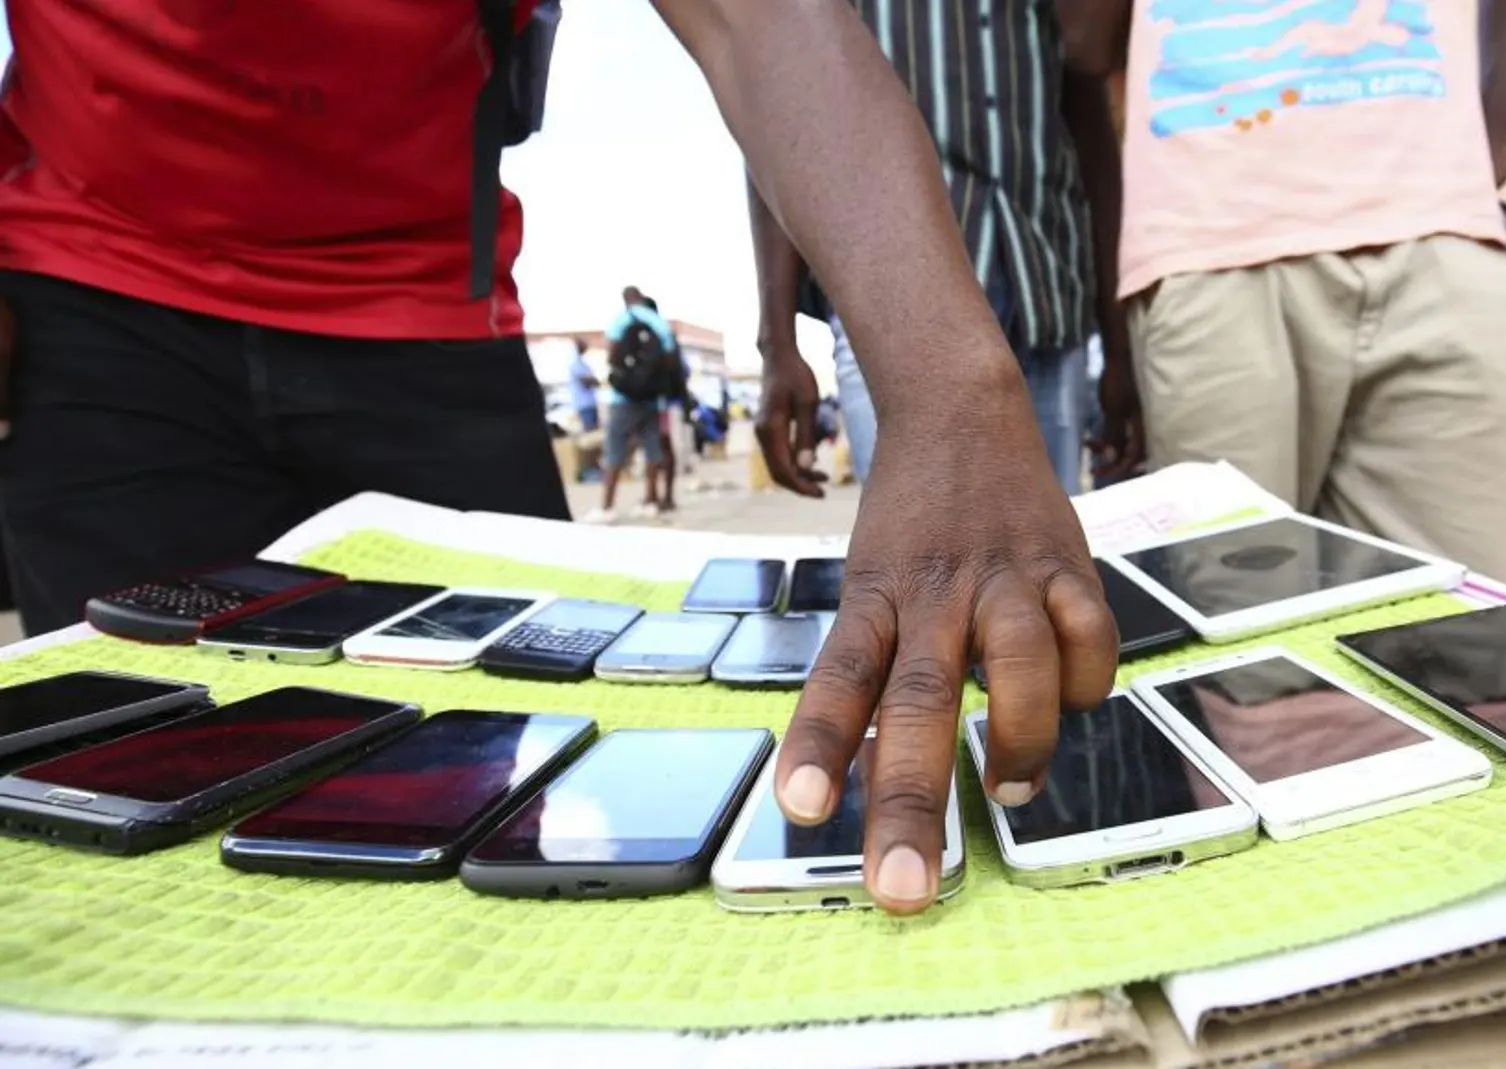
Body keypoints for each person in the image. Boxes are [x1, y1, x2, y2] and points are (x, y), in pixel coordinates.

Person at [0, 2, 1120, 914]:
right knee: (119, 811)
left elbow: (759, 19)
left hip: (423, 319)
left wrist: (955, 392)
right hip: (91, 299)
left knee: (499, 776)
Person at [1062, 0, 1506, 600]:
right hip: (1212, 228)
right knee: (1244, 635)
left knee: (1493, 626)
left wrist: (1496, 132)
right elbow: (1083, 40)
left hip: (1436, 218)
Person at [748, 0, 1145, 498]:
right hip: (891, 305)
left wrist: (1118, 345)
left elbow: (1089, 104)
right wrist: (777, 343)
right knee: (923, 555)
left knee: (1050, 548)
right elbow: (776, 111)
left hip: (1047, 286)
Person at [588, 287, 682, 521]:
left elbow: (611, 355)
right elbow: (671, 361)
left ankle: (607, 506)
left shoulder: (622, 320)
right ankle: (651, 501)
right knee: (652, 449)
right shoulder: (659, 323)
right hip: (653, 400)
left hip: (625, 398)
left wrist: (627, 377)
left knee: (615, 447)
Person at [567, 337, 601, 433]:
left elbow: (593, 381)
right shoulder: (575, 363)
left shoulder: (582, 362)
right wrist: (594, 380)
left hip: (590, 402)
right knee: (590, 433)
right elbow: (588, 381)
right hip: (584, 404)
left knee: (595, 431)